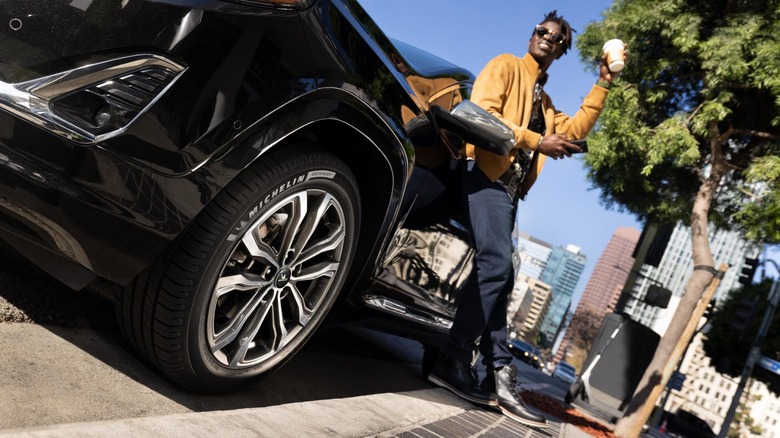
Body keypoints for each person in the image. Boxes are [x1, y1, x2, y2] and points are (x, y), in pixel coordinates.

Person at [427, 11, 625, 428]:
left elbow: (573, 130)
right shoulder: (506, 65)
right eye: (543, 32)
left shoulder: (545, 102)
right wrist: (537, 140)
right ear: (532, 34)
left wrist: (603, 82)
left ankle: (497, 372)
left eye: (557, 39)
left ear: (562, 51)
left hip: (508, 190)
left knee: (504, 277)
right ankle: (454, 357)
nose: (548, 40)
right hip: (482, 173)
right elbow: (480, 113)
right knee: (497, 264)